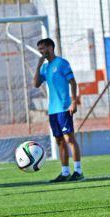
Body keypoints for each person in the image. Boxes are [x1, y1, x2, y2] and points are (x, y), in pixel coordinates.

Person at [33, 38, 84, 183]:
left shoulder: (62, 63)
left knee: (69, 138)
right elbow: (36, 84)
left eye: (44, 48)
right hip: (52, 110)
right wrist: (37, 67)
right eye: (40, 49)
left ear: (51, 47)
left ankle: (78, 171)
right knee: (59, 141)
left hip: (63, 107)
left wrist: (73, 102)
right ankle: (65, 172)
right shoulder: (44, 67)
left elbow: (72, 82)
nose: (42, 52)